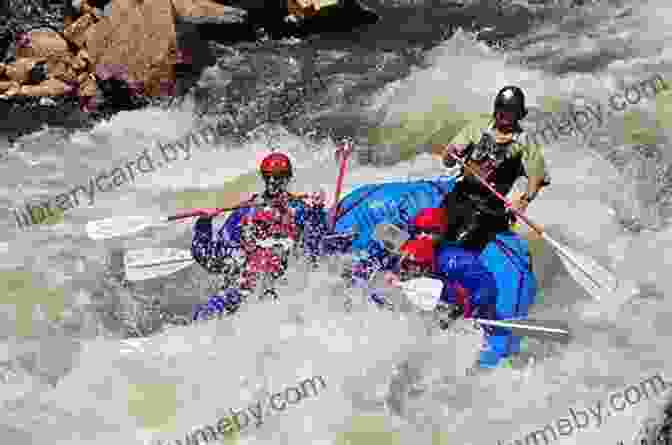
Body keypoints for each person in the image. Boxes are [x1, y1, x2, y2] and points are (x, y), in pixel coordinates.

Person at [190, 152, 330, 310]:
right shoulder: (246, 212)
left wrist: (318, 210)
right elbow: (209, 257)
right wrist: (204, 223)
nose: (272, 181)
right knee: (208, 312)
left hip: (283, 291)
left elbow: (318, 246)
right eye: (267, 176)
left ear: (288, 178)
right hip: (244, 292)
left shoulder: (299, 211)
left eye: (278, 176)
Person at [438, 86, 551, 251]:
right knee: (435, 230)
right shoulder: (478, 126)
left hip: (489, 207)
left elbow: (538, 177)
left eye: (509, 111)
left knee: (459, 244)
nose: (503, 114)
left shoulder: (524, 142)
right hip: (461, 193)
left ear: (518, 114)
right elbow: (448, 161)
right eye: (500, 108)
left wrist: (524, 200)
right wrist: (450, 155)